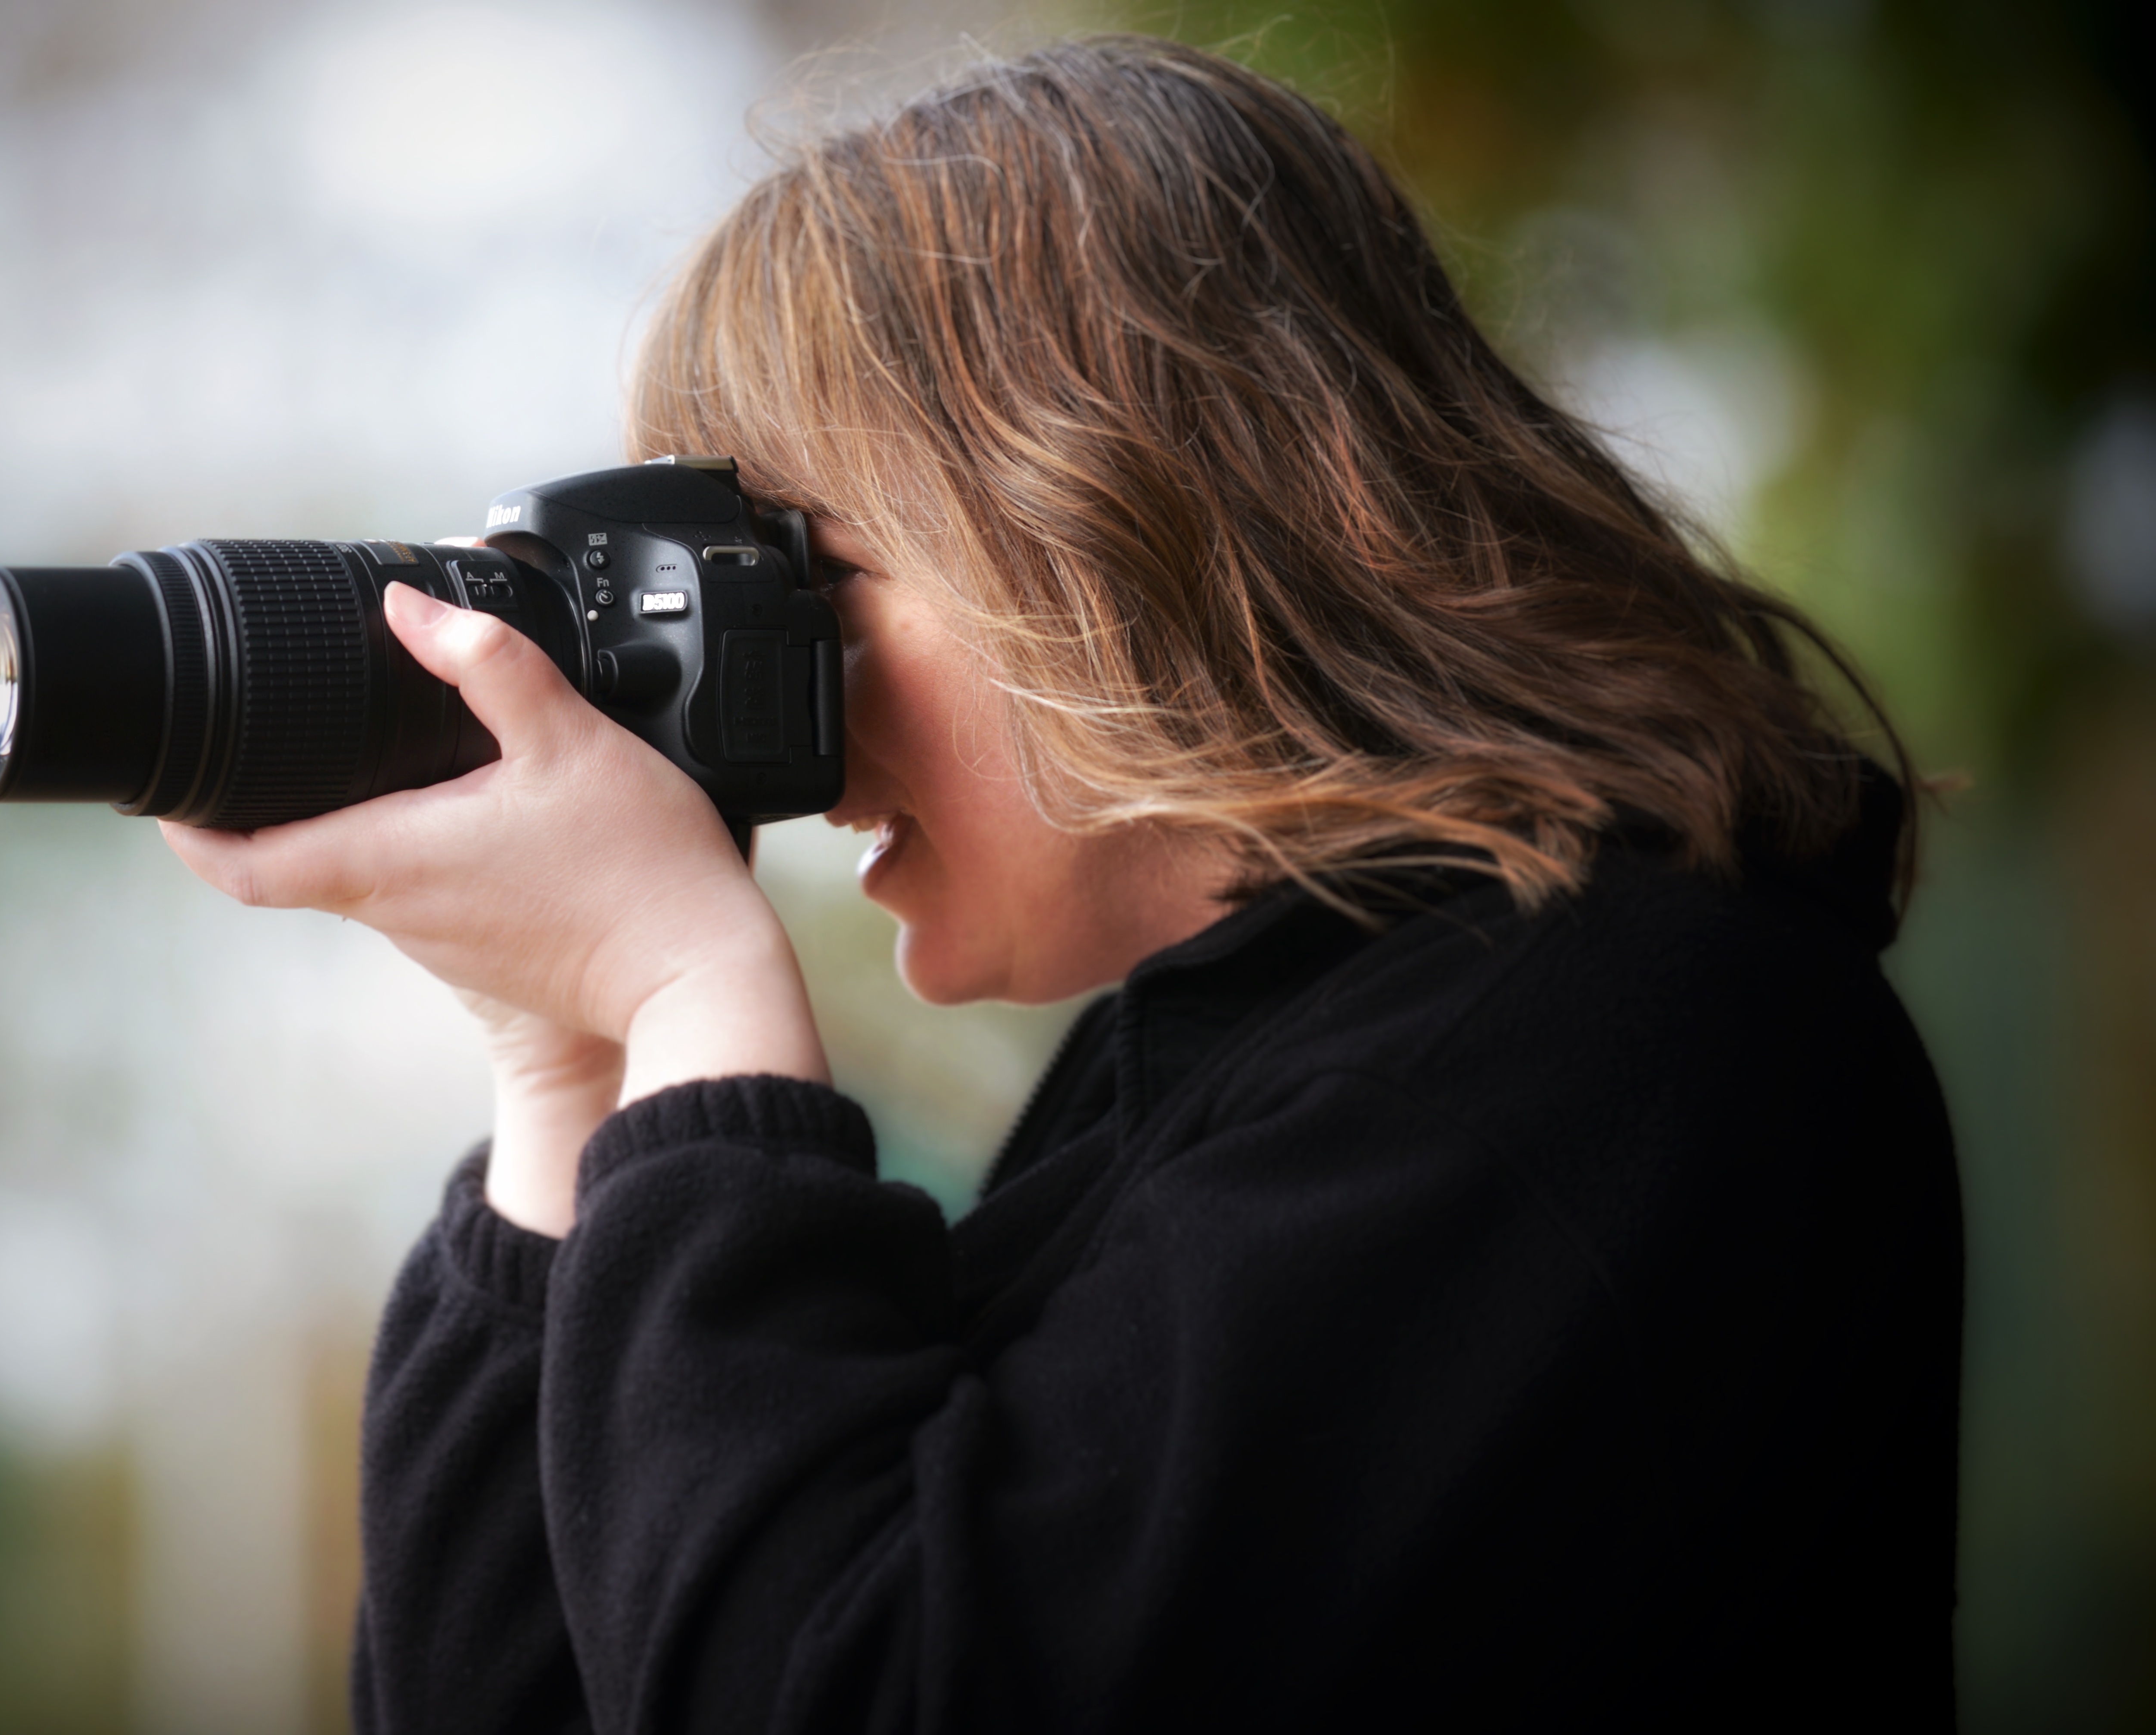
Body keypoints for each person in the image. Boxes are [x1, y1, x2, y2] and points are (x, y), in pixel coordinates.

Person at [164, 35, 1960, 1732]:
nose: (783, 731)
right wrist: (571, 1065)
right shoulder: (1231, 1078)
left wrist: (687, 987)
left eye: (803, 579)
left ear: (1122, 526)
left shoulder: (1615, 1050)